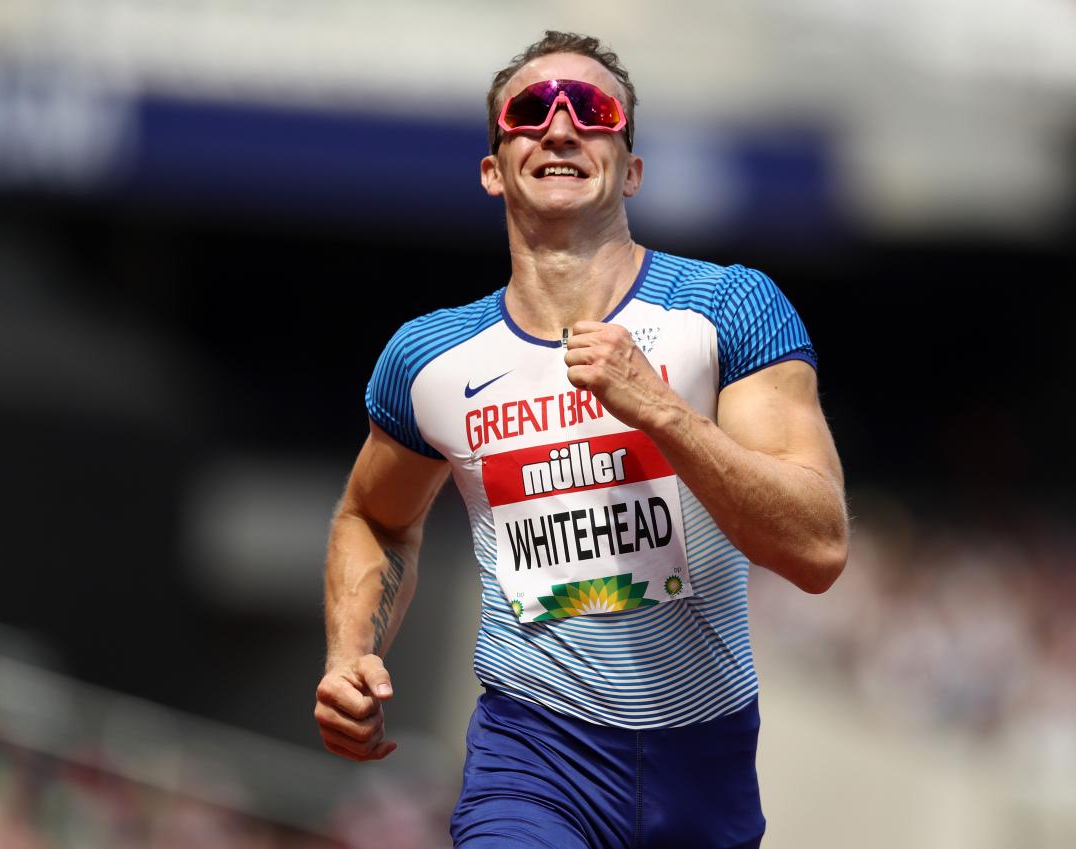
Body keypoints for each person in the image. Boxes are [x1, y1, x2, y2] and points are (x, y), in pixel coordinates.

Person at [313, 30, 848, 849]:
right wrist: (350, 649)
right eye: (530, 112)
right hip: (532, 757)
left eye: (592, 110)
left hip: (704, 763)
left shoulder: (729, 310)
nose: (560, 127)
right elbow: (374, 517)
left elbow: (817, 546)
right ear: (494, 168)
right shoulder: (430, 361)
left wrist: (661, 412)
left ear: (630, 167)